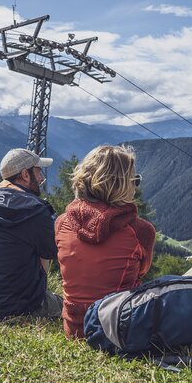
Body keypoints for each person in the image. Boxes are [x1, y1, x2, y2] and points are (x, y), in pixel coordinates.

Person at [55, 144, 156, 338]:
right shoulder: (141, 230)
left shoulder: (61, 223)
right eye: (134, 180)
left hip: (74, 329)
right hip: (120, 329)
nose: (136, 186)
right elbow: (141, 271)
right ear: (121, 184)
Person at [0, 148, 63, 320]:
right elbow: (55, 250)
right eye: (38, 171)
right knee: (70, 307)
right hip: (23, 305)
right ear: (25, 175)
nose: (42, 178)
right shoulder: (36, 210)